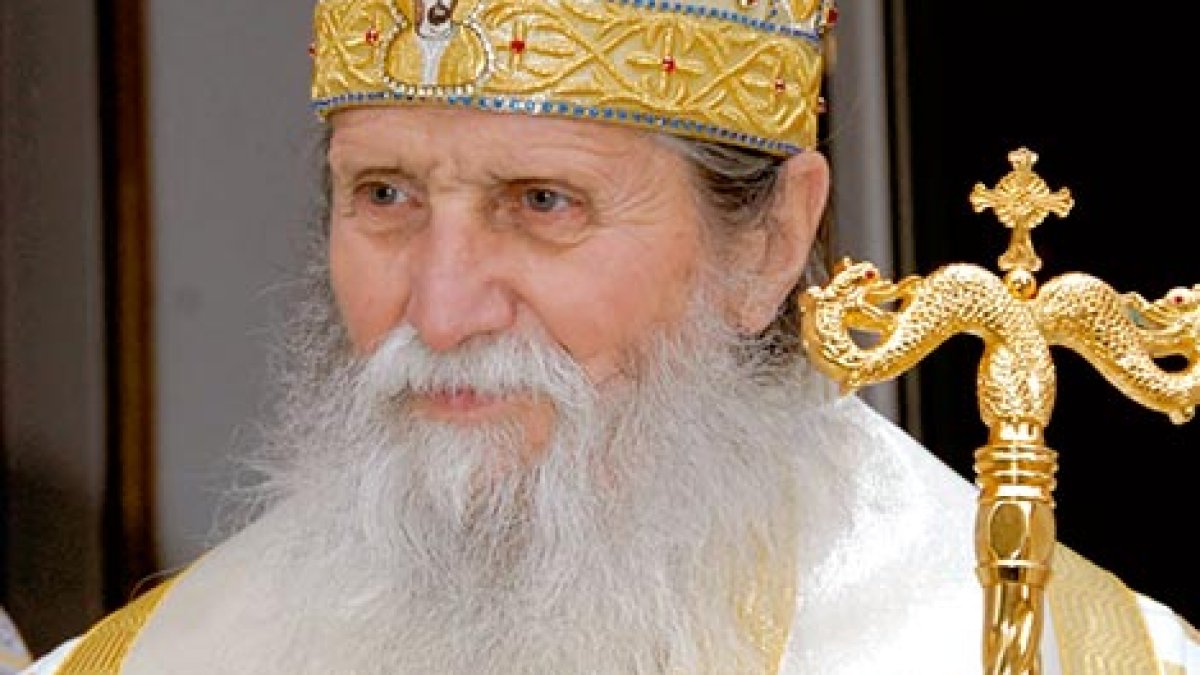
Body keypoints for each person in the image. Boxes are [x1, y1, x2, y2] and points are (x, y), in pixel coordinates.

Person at [22, 0, 1198, 672]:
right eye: (384, 195)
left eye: (544, 203)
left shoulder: (1036, 649)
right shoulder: (160, 660)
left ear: (769, 243)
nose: (440, 312)